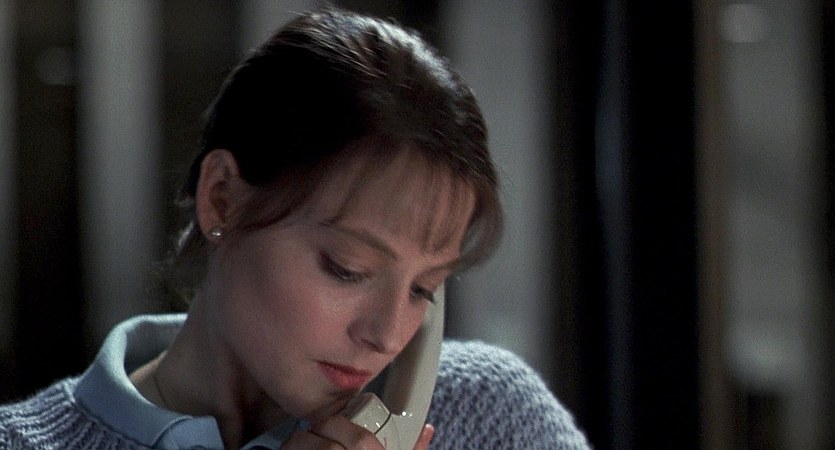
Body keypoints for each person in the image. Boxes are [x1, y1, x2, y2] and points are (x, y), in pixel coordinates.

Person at [0, 8, 590, 450]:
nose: (387, 336)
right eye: (347, 269)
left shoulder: (489, 412)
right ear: (222, 200)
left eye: (422, 288)